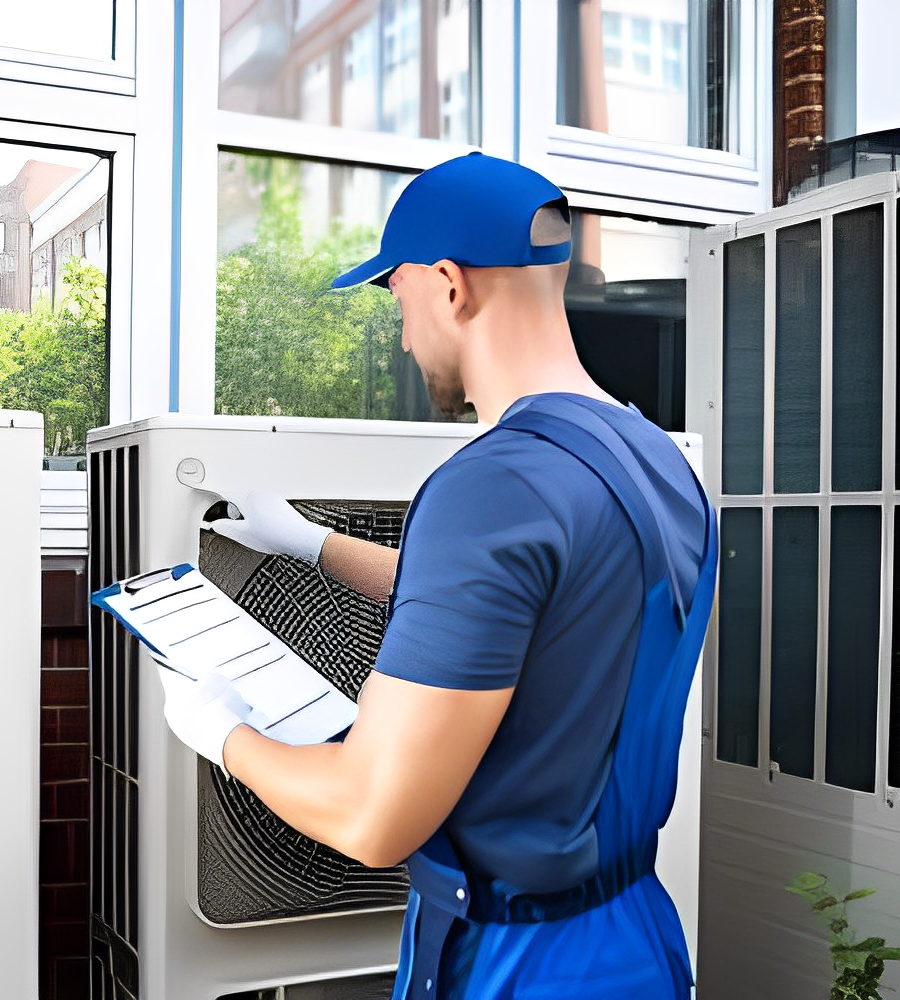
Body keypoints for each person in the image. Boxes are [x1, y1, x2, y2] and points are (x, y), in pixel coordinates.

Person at [157, 151, 717, 1000]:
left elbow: (370, 814)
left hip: (518, 966)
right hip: (635, 938)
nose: (404, 331)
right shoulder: (657, 460)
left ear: (450, 285)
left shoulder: (492, 483)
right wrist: (312, 545)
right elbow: (532, 608)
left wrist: (223, 737)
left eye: (399, 297)